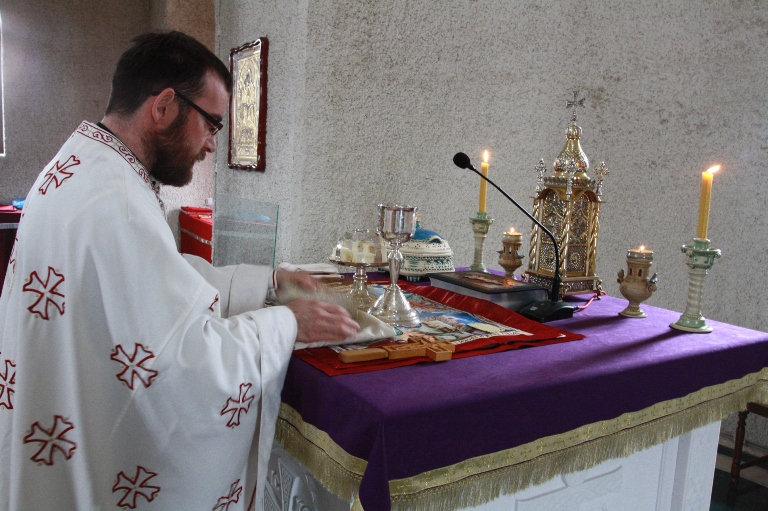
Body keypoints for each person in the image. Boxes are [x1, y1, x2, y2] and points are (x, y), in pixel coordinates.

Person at [0, 31, 359, 511]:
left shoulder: (90, 165)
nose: (211, 144)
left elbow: (151, 282)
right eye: (212, 124)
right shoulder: (114, 201)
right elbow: (176, 366)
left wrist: (266, 283)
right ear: (164, 106)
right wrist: (286, 325)